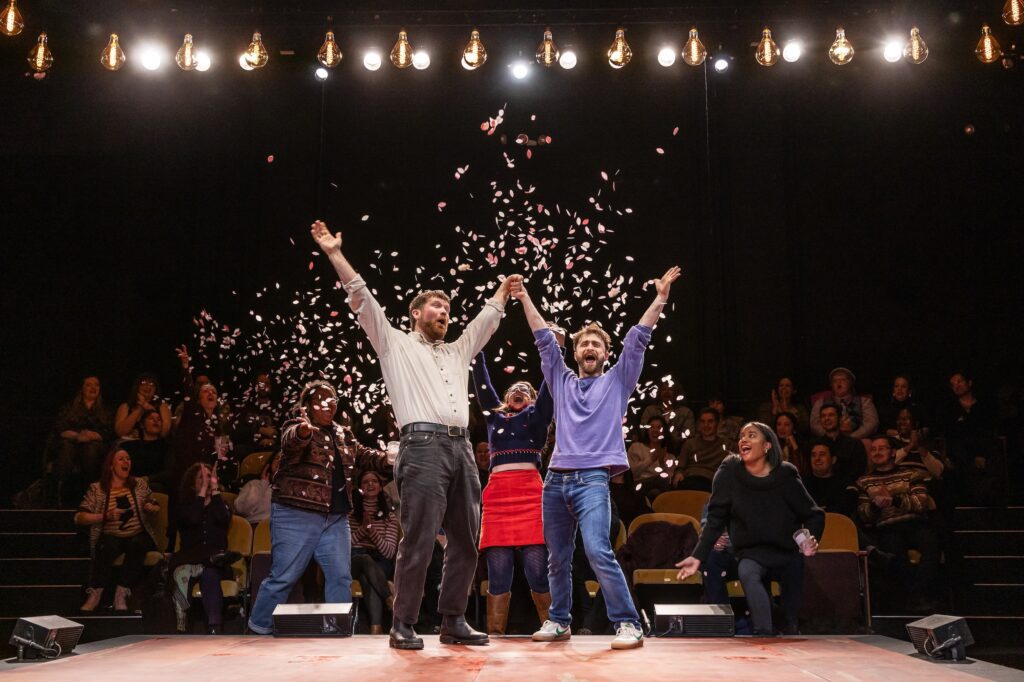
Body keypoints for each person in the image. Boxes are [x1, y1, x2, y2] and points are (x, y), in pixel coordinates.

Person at [311, 219, 519, 650]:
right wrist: (334, 253)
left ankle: (453, 619)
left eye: (447, 308)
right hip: (422, 448)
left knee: (466, 540)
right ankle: (402, 622)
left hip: (461, 448)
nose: (444, 313)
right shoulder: (394, 344)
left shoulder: (458, 349)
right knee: (420, 540)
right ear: (415, 314)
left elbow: (486, 322)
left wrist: (502, 291)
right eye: (436, 308)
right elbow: (362, 299)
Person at [512, 265, 681, 650]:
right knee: (557, 558)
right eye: (583, 345)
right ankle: (558, 619)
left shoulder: (618, 380)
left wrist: (660, 298)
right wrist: (523, 298)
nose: (589, 349)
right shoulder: (560, 379)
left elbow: (638, 339)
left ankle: (628, 622)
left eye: (596, 345)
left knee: (598, 549)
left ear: (606, 353)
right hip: (555, 480)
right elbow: (542, 338)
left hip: (592, 480)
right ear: (574, 353)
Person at [247, 380, 391, 635]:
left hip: (335, 518)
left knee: (340, 577)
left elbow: (365, 456)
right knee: (284, 576)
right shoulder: (296, 427)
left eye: (332, 398)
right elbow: (293, 442)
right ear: (308, 406)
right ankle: (258, 627)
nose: (328, 403)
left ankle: (337, 630)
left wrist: (391, 459)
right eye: (320, 399)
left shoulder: (343, 433)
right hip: (297, 514)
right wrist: (303, 431)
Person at [676, 422, 825, 636]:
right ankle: (763, 632)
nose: (743, 439)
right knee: (748, 571)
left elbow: (813, 514)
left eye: (751, 435)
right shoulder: (728, 472)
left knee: (793, 575)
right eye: (742, 436)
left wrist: (811, 538)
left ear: (767, 446)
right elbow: (715, 519)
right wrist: (697, 556)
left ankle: (789, 625)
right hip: (750, 553)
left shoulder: (785, 474)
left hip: (785, 552)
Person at [471, 345, 557, 636]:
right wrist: (479, 350)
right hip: (497, 499)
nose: (518, 391)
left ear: (533, 400)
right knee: (498, 574)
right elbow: (483, 386)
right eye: (513, 389)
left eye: (525, 389)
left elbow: (549, 387)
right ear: (505, 399)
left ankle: (554, 628)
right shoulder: (494, 418)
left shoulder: (538, 418)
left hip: (531, 497)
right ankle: (494, 636)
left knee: (536, 570)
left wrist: (555, 353)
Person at [851, 436, 940, 611]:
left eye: (882, 448)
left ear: (893, 452)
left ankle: (917, 594)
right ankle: (912, 598)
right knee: (893, 548)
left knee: (932, 544)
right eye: (874, 449)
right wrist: (875, 507)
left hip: (914, 523)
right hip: (886, 527)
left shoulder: (911, 474)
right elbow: (863, 514)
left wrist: (895, 500)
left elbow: (921, 502)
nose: (877, 452)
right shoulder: (864, 481)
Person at [75, 447, 160, 612]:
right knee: (107, 546)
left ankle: (121, 593)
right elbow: (79, 517)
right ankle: (96, 594)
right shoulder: (97, 488)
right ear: (111, 466)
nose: (126, 461)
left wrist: (151, 507)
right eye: (121, 459)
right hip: (111, 535)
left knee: (138, 544)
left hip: (137, 534)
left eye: (128, 459)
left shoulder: (139, 484)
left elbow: (154, 503)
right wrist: (105, 516)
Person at [169, 462, 238, 634]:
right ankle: (181, 624)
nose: (207, 480)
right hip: (190, 558)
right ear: (193, 484)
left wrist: (214, 491)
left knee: (210, 573)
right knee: (182, 572)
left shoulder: (221, 504)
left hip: (215, 561)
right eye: (202, 477)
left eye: (209, 476)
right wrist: (201, 495)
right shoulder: (184, 507)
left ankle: (215, 627)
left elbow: (223, 518)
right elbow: (193, 519)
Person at [350, 469, 400, 634]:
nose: (370, 484)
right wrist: (364, 529)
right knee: (363, 558)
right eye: (365, 482)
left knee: (367, 579)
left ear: (380, 487)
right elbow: (347, 544)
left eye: (374, 481)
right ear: (360, 488)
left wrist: (371, 530)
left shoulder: (390, 517)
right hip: (355, 559)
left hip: (379, 563)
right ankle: (389, 598)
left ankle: (375, 628)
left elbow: (388, 552)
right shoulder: (350, 515)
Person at [52, 375, 112, 506]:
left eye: (96, 385)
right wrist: (78, 436)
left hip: (95, 447)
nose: (93, 387)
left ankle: (89, 493)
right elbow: (60, 429)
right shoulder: (69, 408)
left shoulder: (105, 410)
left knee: (90, 448)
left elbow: (108, 433)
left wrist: (91, 436)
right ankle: (60, 493)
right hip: (72, 444)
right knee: (67, 447)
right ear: (82, 388)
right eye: (89, 385)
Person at [809, 367, 878, 440]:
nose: (839, 383)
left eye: (843, 380)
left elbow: (871, 423)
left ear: (851, 383)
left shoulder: (864, 402)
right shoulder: (821, 402)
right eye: (835, 381)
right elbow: (814, 424)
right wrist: (830, 437)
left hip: (857, 441)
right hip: (828, 441)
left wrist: (851, 438)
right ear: (831, 385)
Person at [672, 408, 730, 492]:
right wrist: (679, 473)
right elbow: (680, 467)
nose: (706, 425)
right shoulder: (690, 444)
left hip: (711, 482)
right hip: (690, 479)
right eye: (703, 422)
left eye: (710, 421)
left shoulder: (727, 445)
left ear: (717, 423)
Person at [816, 403, 867, 487]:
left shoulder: (854, 444)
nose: (826, 418)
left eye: (831, 415)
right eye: (823, 416)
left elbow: (859, 472)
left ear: (840, 419)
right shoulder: (815, 445)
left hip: (847, 489)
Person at [803, 441, 857, 517]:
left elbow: (847, 507)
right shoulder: (801, 484)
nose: (817, 458)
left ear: (833, 459)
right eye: (813, 455)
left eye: (822, 454)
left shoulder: (845, 483)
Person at [121, 410, 170, 491]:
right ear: (142, 425)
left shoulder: (166, 447)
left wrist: (148, 478)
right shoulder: (128, 446)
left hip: (154, 484)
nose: (156, 421)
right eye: (151, 418)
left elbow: (169, 472)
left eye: (159, 419)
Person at [628, 416, 676, 499]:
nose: (655, 430)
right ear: (647, 430)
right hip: (637, 485)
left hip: (656, 490)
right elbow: (630, 473)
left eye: (659, 427)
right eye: (652, 427)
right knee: (660, 481)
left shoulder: (670, 457)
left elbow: (669, 481)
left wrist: (661, 462)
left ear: (664, 432)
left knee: (655, 493)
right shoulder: (636, 447)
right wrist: (650, 460)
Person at [114, 373, 173, 440]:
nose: (148, 387)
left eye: (152, 384)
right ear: (137, 387)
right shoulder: (125, 407)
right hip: (129, 445)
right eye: (143, 383)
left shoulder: (162, 406)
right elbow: (120, 432)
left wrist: (149, 408)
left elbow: (164, 433)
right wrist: (140, 408)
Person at [639, 381, 694, 451]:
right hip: (651, 451)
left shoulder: (686, 412)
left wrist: (663, 436)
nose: (667, 392)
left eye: (670, 389)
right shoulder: (650, 410)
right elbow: (644, 431)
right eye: (664, 389)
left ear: (677, 393)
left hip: (678, 452)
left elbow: (689, 436)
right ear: (659, 392)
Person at [233, 451, 280, 524]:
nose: (280, 461)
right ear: (270, 464)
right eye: (277, 458)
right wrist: (262, 485)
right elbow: (242, 510)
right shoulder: (254, 484)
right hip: (256, 528)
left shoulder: (295, 489)